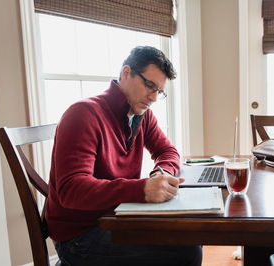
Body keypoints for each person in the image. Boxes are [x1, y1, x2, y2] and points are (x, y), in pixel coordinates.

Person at [45, 46, 202, 266]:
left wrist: (162, 173)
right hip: (79, 236)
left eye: (159, 91)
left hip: (116, 218)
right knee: (187, 252)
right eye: (149, 86)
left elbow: (168, 151)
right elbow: (72, 189)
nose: (154, 98)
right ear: (126, 73)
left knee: (192, 235)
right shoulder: (83, 114)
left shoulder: (142, 116)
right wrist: (142, 189)